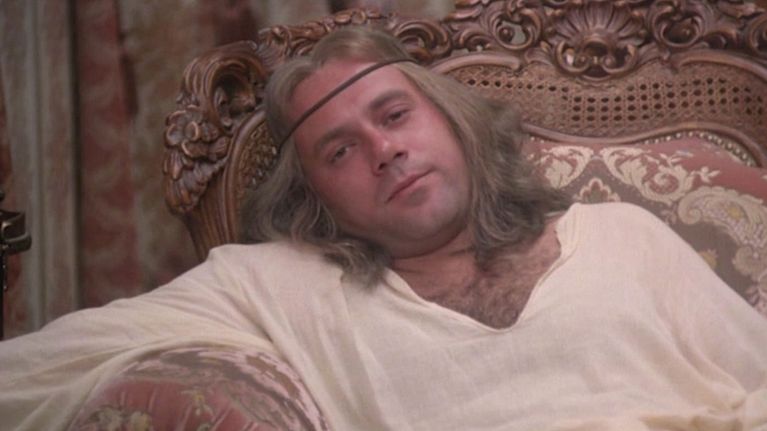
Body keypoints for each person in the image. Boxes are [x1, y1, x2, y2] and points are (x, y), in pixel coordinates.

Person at [1, 26, 766, 430]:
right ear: (317, 199)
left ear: (451, 119)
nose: (383, 149)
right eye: (340, 150)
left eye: (394, 115)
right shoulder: (275, 285)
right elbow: (32, 371)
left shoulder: (621, 235)